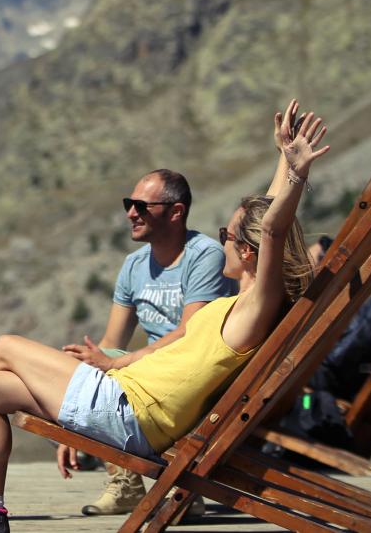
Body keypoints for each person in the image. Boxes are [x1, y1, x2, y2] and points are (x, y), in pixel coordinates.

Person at [0, 99, 327, 532]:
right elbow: (264, 219)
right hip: (124, 397)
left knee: (3, 346)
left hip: (133, 413)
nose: (220, 241)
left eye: (226, 235)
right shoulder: (234, 304)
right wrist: (282, 158)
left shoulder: (251, 312)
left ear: (247, 251)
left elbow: (272, 228)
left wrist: (296, 173)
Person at [58, 169, 234, 516]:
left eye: (141, 205)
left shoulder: (204, 256)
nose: (130, 213)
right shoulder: (134, 264)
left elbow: (190, 331)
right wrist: (70, 419)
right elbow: (110, 342)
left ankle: (164, 482)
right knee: (76, 372)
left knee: (100, 370)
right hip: (147, 375)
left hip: (190, 374)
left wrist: (118, 362)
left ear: (176, 212)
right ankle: (129, 483)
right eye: (129, 203)